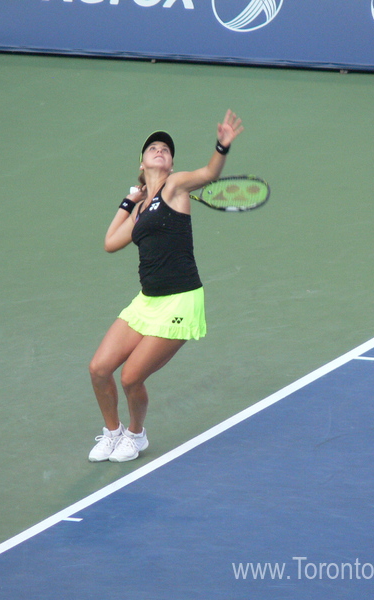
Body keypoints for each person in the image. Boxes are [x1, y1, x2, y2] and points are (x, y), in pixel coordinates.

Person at [88, 110, 244, 462]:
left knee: (130, 378)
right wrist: (130, 200)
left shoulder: (175, 188)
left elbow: (208, 174)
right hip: (147, 301)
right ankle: (112, 433)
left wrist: (221, 146)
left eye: (166, 150)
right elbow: (111, 241)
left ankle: (136, 435)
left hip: (180, 301)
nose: (160, 150)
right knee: (99, 369)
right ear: (142, 163)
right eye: (153, 148)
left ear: (171, 165)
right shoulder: (141, 208)